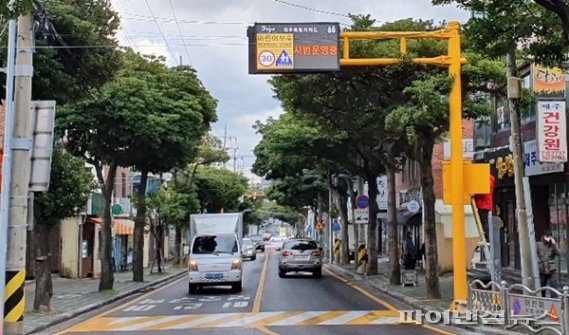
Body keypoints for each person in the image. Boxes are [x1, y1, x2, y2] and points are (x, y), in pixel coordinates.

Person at [474, 175, 495, 261]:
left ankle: (486, 238)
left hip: (483, 205)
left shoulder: (487, 179)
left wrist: (474, 193)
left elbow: (484, 191)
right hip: (483, 204)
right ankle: (485, 238)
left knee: (484, 222)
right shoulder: (488, 179)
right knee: (483, 222)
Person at [537, 229, 560, 297]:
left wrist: (554, 245)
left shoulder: (553, 245)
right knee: (542, 288)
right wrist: (539, 263)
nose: (548, 238)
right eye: (547, 236)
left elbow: (559, 253)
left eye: (550, 236)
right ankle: (543, 302)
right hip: (542, 269)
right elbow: (535, 256)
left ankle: (554, 303)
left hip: (551, 269)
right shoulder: (538, 244)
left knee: (554, 288)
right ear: (543, 236)